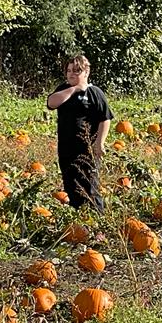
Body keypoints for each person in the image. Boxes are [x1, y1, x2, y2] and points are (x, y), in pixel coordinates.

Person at [45, 55, 113, 211]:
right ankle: (78, 218)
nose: (71, 74)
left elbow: (105, 118)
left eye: (77, 71)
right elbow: (51, 102)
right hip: (66, 148)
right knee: (70, 183)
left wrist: (99, 143)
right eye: (69, 71)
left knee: (90, 185)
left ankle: (97, 219)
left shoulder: (95, 93)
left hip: (87, 149)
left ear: (86, 72)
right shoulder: (64, 89)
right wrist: (75, 88)